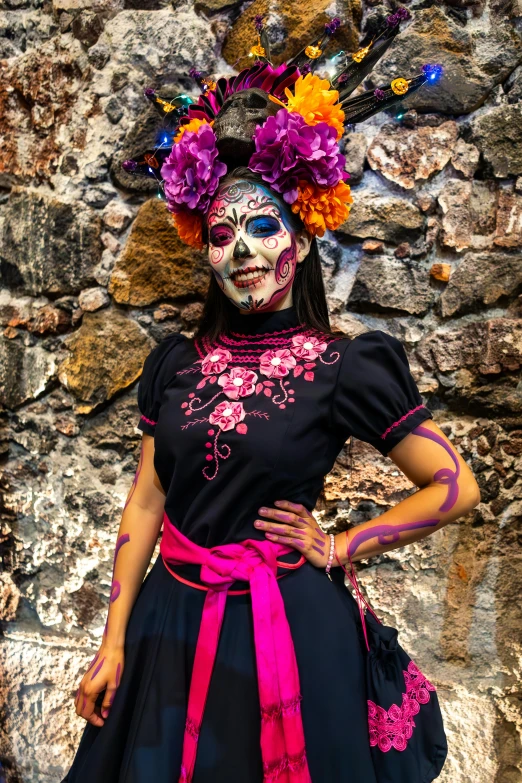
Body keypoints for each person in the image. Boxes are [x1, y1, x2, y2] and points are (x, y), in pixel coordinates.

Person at [62, 16, 476, 783]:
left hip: (286, 633)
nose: (242, 248)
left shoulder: (344, 365)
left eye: (262, 225)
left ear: (304, 236)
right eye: (223, 232)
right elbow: (147, 500)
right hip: (168, 627)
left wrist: (343, 544)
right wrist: (112, 640)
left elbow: (456, 485)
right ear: (205, 250)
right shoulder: (176, 363)